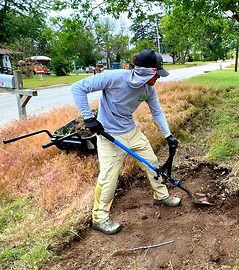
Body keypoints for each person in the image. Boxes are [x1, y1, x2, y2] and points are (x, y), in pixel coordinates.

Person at [71, 49, 181, 235]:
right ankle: (100, 219)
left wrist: (168, 135)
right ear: (148, 72)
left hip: (132, 131)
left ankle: (161, 196)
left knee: (152, 163)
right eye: (157, 74)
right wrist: (89, 118)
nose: (159, 79)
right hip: (109, 135)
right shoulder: (114, 78)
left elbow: (157, 111)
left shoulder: (148, 89)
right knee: (109, 178)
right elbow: (78, 88)